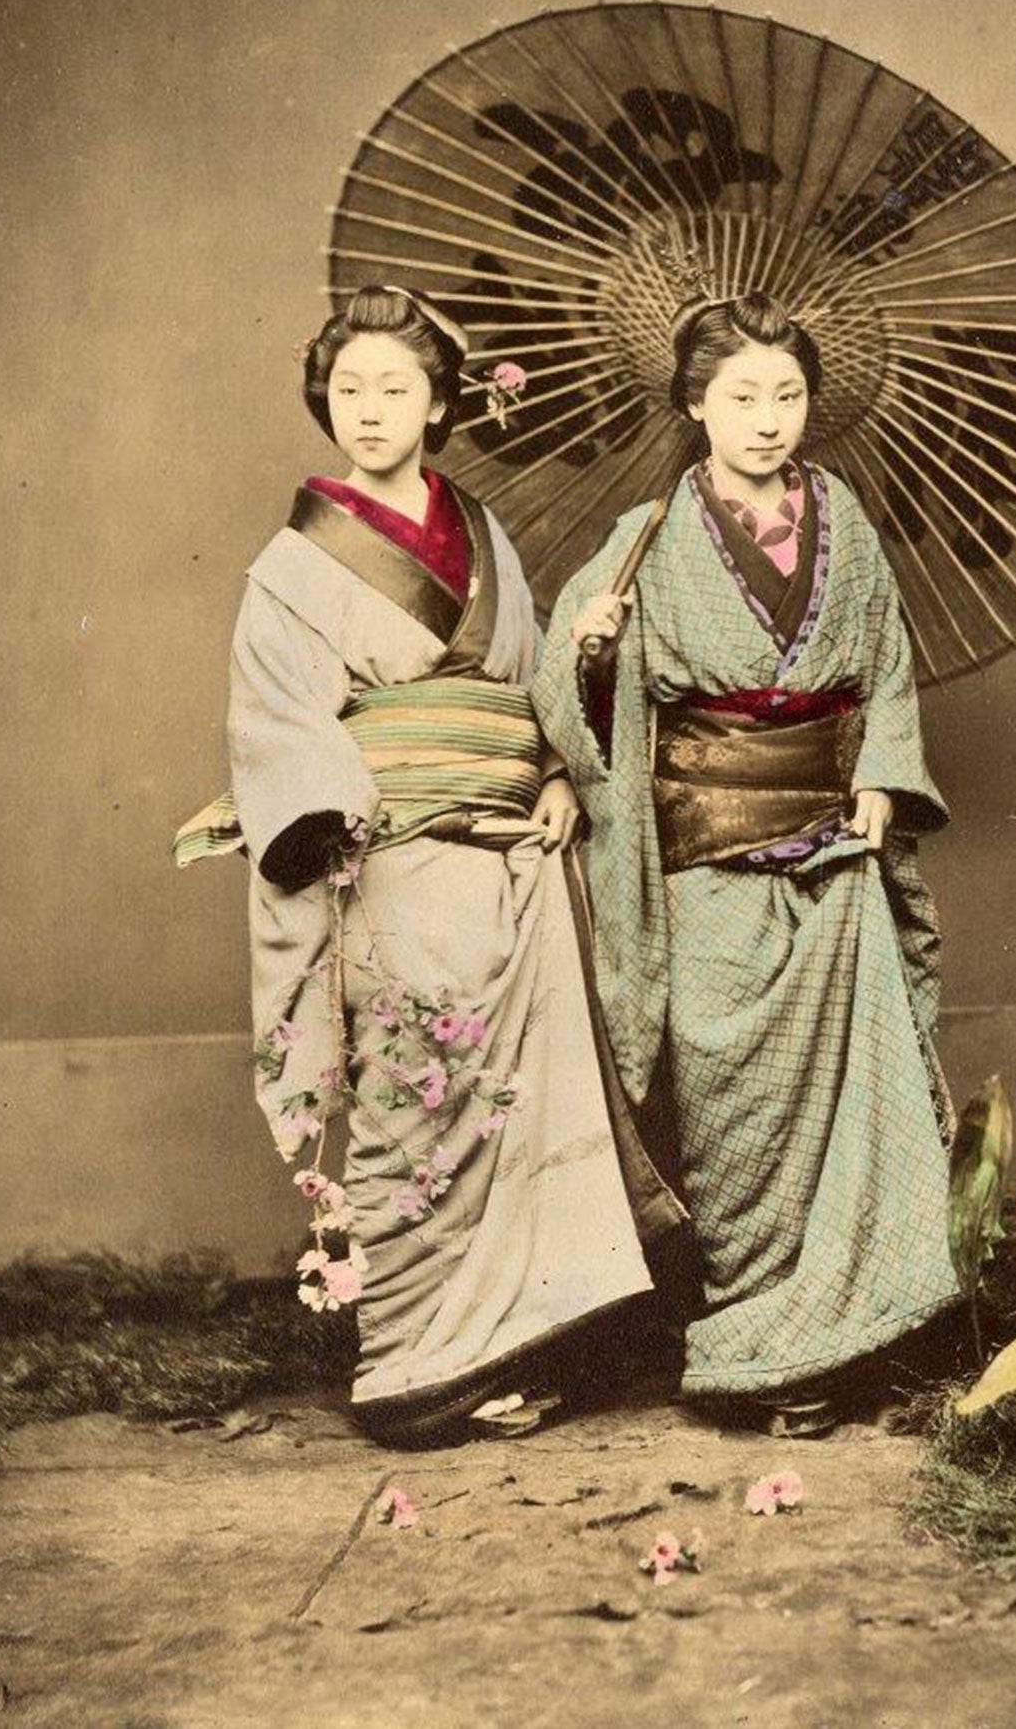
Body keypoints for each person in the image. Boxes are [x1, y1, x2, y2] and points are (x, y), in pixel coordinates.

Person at [213, 284, 676, 1448]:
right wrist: (356, 823)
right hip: (395, 851)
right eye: (351, 388)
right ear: (326, 398)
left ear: (437, 401)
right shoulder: (291, 565)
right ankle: (413, 1364)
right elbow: (279, 721)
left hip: (513, 845)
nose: (371, 410)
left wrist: (559, 773)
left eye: (397, 388)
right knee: (416, 1090)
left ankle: (511, 1344)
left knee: (516, 1103)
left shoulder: (483, 532)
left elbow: (521, 683)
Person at [533, 288, 958, 1437]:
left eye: (788, 395)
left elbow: (887, 669)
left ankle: (842, 1334)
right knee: (731, 1097)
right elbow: (574, 702)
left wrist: (881, 775)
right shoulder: (645, 538)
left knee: (843, 1099)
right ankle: (753, 1332)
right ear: (694, 404)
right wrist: (594, 659)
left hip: (833, 835)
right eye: (741, 397)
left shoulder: (847, 522)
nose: (769, 419)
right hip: (707, 852)